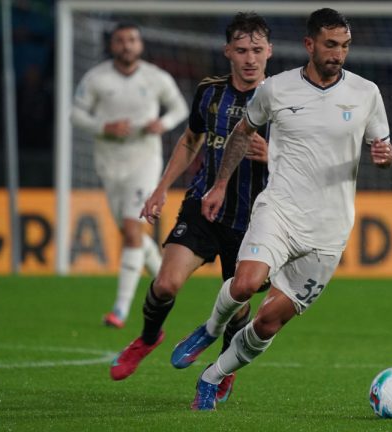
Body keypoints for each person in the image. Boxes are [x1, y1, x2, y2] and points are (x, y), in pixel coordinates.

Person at [171, 8, 392, 411]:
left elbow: (384, 147)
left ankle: (213, 376)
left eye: (344, 46)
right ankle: (209, 328)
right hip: (280, 210)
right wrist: (220, 184)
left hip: (329, 231)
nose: (338, 54)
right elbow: (243, 133)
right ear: (309, 44)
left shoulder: (366, 93)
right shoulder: (276, 89)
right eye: (330, 45)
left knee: (268, 322)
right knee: (244, 285)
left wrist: (385, 154)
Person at [108, 12, 273, 404]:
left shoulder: (283, 101)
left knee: (236, 307)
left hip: (255, 219)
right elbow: (190, 139)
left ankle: (223, 371)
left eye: (256, 50)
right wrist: (160, 189)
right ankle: (148, 338)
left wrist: (273, 154)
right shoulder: (210, 92)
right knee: (165, 284)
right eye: (241, 50)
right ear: (227, 52)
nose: (250, 59)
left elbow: (304, 158)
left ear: (268, 51)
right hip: (203, 206)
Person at [71, 22, 190, 328]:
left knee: (132, 229)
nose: (127, 45)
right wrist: (104, 127)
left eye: (132, 40)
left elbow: (179, 108)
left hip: (145, 161)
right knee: (130, 234)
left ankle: (120, 310)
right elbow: (76, 114)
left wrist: (162, 125)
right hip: (110, 164)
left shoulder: (155, 77)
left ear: (140, 45)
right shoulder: (97, 78)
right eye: (121, 40)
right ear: (112, 46)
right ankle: (165, 282)